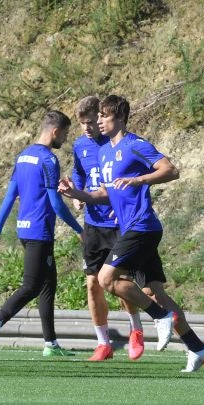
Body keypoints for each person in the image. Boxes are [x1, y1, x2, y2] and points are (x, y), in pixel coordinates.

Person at [58, 95, 204, 372]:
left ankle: (160, 317)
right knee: (154, 291)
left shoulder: (135, 145)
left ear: (119, 118)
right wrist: (76, 194)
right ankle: (197, 348)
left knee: (106, 278)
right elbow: (105, 193)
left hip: (142, 227)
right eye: (98, 116)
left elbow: (171, 170)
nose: (99, 121)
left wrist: (139, 179)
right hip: (129, 227)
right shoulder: (105, 152)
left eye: (104, 116)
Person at [0, 111, 81, 358]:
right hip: (39, 231)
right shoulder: (48, 160)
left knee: (48, 284)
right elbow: (55, 203)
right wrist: (79, 230)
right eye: (65, 134)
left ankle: (51, 344)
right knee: (32, 286)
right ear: (55, 131)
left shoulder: (23, 156)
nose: (65, 139)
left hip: (24, 229)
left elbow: (10, 195)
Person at [70, 96, 144, 361]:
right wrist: (78, 194)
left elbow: (134, 178)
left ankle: (136, 329)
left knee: (118, 281)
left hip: (116, 223)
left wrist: (121, 202)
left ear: (101, 117)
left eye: (92, 121)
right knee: (92, 284)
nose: (88, 128)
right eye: (82, 124)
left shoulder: (116, 143)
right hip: (93, 223)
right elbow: (78, 172)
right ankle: (103, 343)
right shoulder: (80, 145)